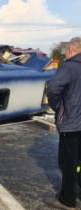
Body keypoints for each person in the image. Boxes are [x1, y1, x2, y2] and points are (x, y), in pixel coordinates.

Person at [46, 37, 81, 210]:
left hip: (72, 125)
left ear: (72, 50)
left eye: (67, 51)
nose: (66, 54)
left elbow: (53, 88)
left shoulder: (69, 67)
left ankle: (67, 199)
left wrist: (59, 107)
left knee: (68, 163)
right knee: (79, 162)